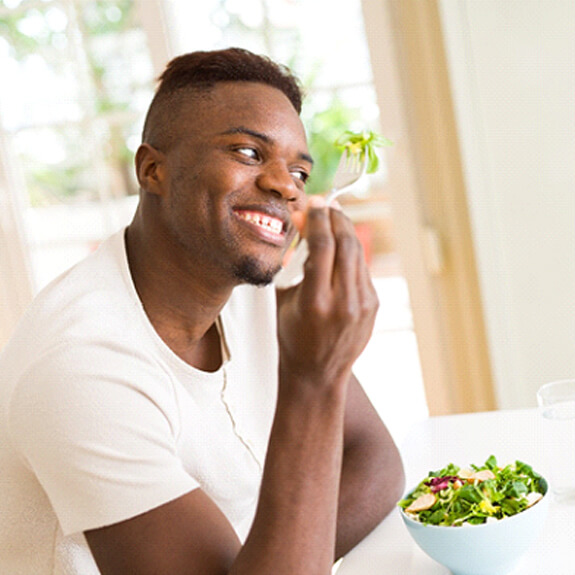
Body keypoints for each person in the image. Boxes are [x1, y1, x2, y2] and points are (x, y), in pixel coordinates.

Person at [0, 47, 404, 574]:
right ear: (153, 170)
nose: (285, 185)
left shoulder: (256, 290)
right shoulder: (80, 366)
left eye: (300, 172)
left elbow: (376, 461)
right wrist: (314, 378)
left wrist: (273, 561)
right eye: (248, 153)